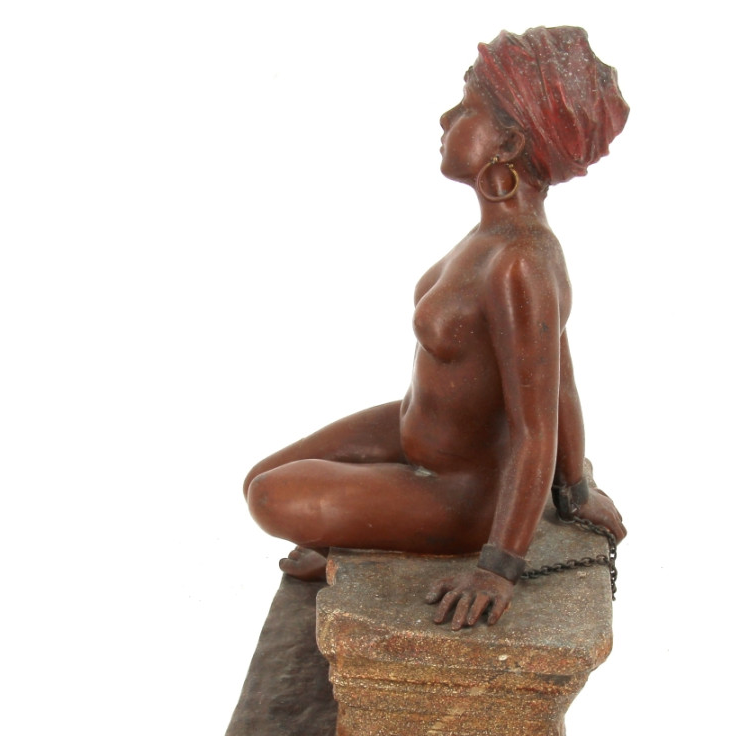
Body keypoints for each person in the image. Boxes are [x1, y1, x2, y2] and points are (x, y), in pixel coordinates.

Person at [244, 26, 628, 629]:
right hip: (413, 432)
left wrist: (499, 566)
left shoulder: (520, 263)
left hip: (460, 491)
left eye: (468, 108)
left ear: (508, 141)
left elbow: (537, 425)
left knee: (271, 499)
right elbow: (564, 375)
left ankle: (386, 534)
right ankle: (364, 534)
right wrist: (575, 488)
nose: (446, 118)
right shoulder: (494, 238)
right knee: (257, 480)